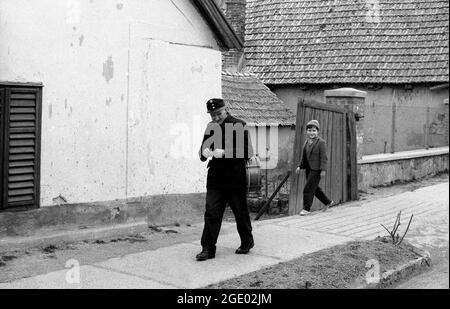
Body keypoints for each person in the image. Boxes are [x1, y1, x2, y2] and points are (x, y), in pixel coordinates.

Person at [196, 98, 254, 261]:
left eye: (218, 113)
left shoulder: (239, 124)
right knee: (211, 213)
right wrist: (203, 152)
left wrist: (225, 153)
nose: (215, 118)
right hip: (216, 178)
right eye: (212, 115)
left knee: (240, 212)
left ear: (225, 109)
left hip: (235, 178)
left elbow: (247, 152)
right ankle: (207, 249)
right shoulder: (211, 128)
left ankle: (247, 242)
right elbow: (202, 152)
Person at [295, 120, 334, 216]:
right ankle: (327, 202)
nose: (311, 133)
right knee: (314, 188)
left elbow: (324, 158)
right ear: (306, 131)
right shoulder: (306, 142)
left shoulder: (321, 143)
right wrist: (300, 166)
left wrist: (323, 170)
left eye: (313, 130)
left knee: (308, 188)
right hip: (309, 169)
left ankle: (306, 209)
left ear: (318, 131)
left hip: (316, 170)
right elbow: (304, 157)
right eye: (309, 130)